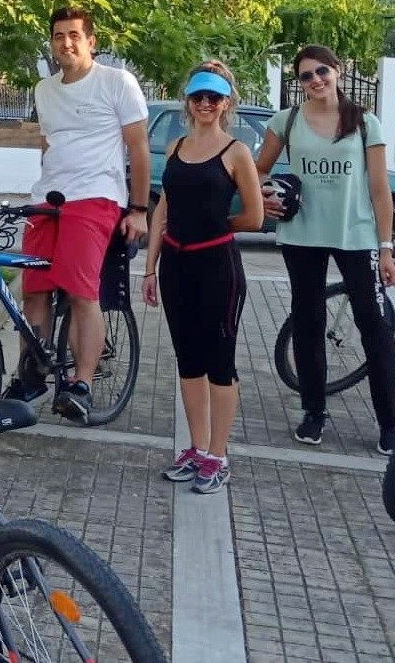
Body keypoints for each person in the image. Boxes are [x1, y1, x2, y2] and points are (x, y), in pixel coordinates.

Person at [5, 6, 150, 422]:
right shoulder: (44, 90)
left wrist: (139, 210)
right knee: (34, 290)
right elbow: (49, 145)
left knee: (81, 292)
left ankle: (81, 384)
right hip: (48, 200)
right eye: (58, 36)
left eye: (73, 35)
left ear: (91, 41)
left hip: (95, 196)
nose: (65, 42)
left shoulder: (116, 82)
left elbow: (138, 148)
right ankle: (31, 374)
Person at [255, 45, 395, 453]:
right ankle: (314, 413)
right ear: (300, 83)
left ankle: (391, 423)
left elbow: (379, 189)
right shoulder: (287, 121)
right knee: (307, 322)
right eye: (306, 76)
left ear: (337, 70)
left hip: (357, 236)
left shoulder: (365, 122)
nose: (316, 80)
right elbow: (258, 170)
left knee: (375, 325)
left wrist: (385, 247)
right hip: (302, 235)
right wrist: (264, 194)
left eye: (322, 71)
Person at [142, 63, 263, 493]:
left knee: (219, 363)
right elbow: (164, 209)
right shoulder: (175, 146)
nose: (206, 104)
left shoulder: (236, 152)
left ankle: (217, 454)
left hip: (218, 268)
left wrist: (217, 225)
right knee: (188, 360)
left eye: (214, 97)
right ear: (188, 101)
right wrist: (150, 266)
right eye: (198, 97)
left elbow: (255, 216)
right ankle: (196, 448)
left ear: (226, 103)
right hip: (176, 266)